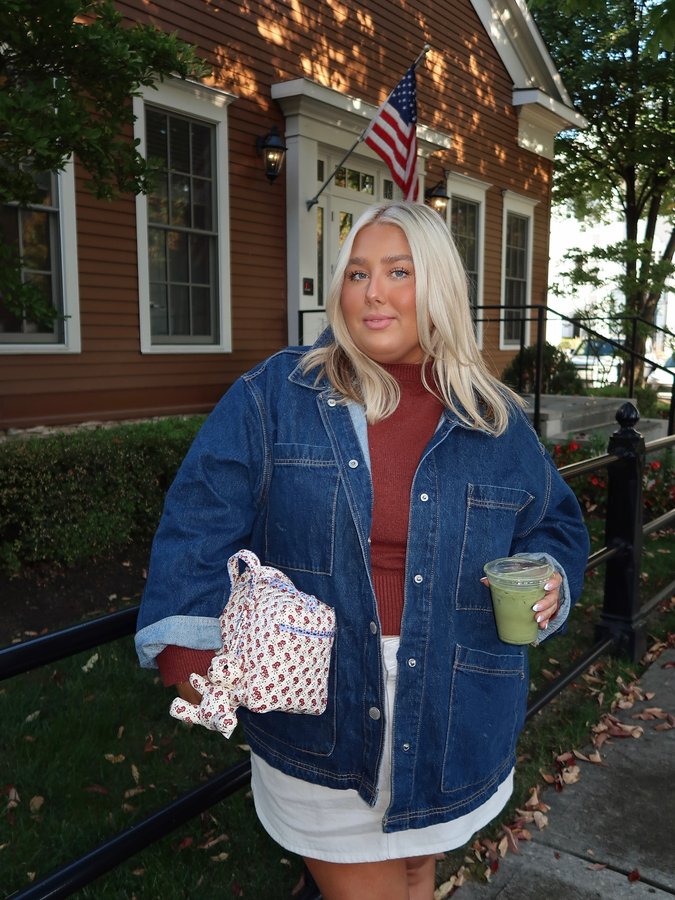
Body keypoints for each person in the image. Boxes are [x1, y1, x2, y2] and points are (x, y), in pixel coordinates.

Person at [135, 201, 589, 900]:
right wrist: (187, 647)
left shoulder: (490, 416)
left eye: (398, 272)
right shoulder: (277, 394)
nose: (372, 292)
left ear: (437, 286)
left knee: (416, 872)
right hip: (321, 710)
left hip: (454, 713)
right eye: (356, 273)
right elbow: (198, 518)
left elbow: (552, 522)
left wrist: (548, 576)